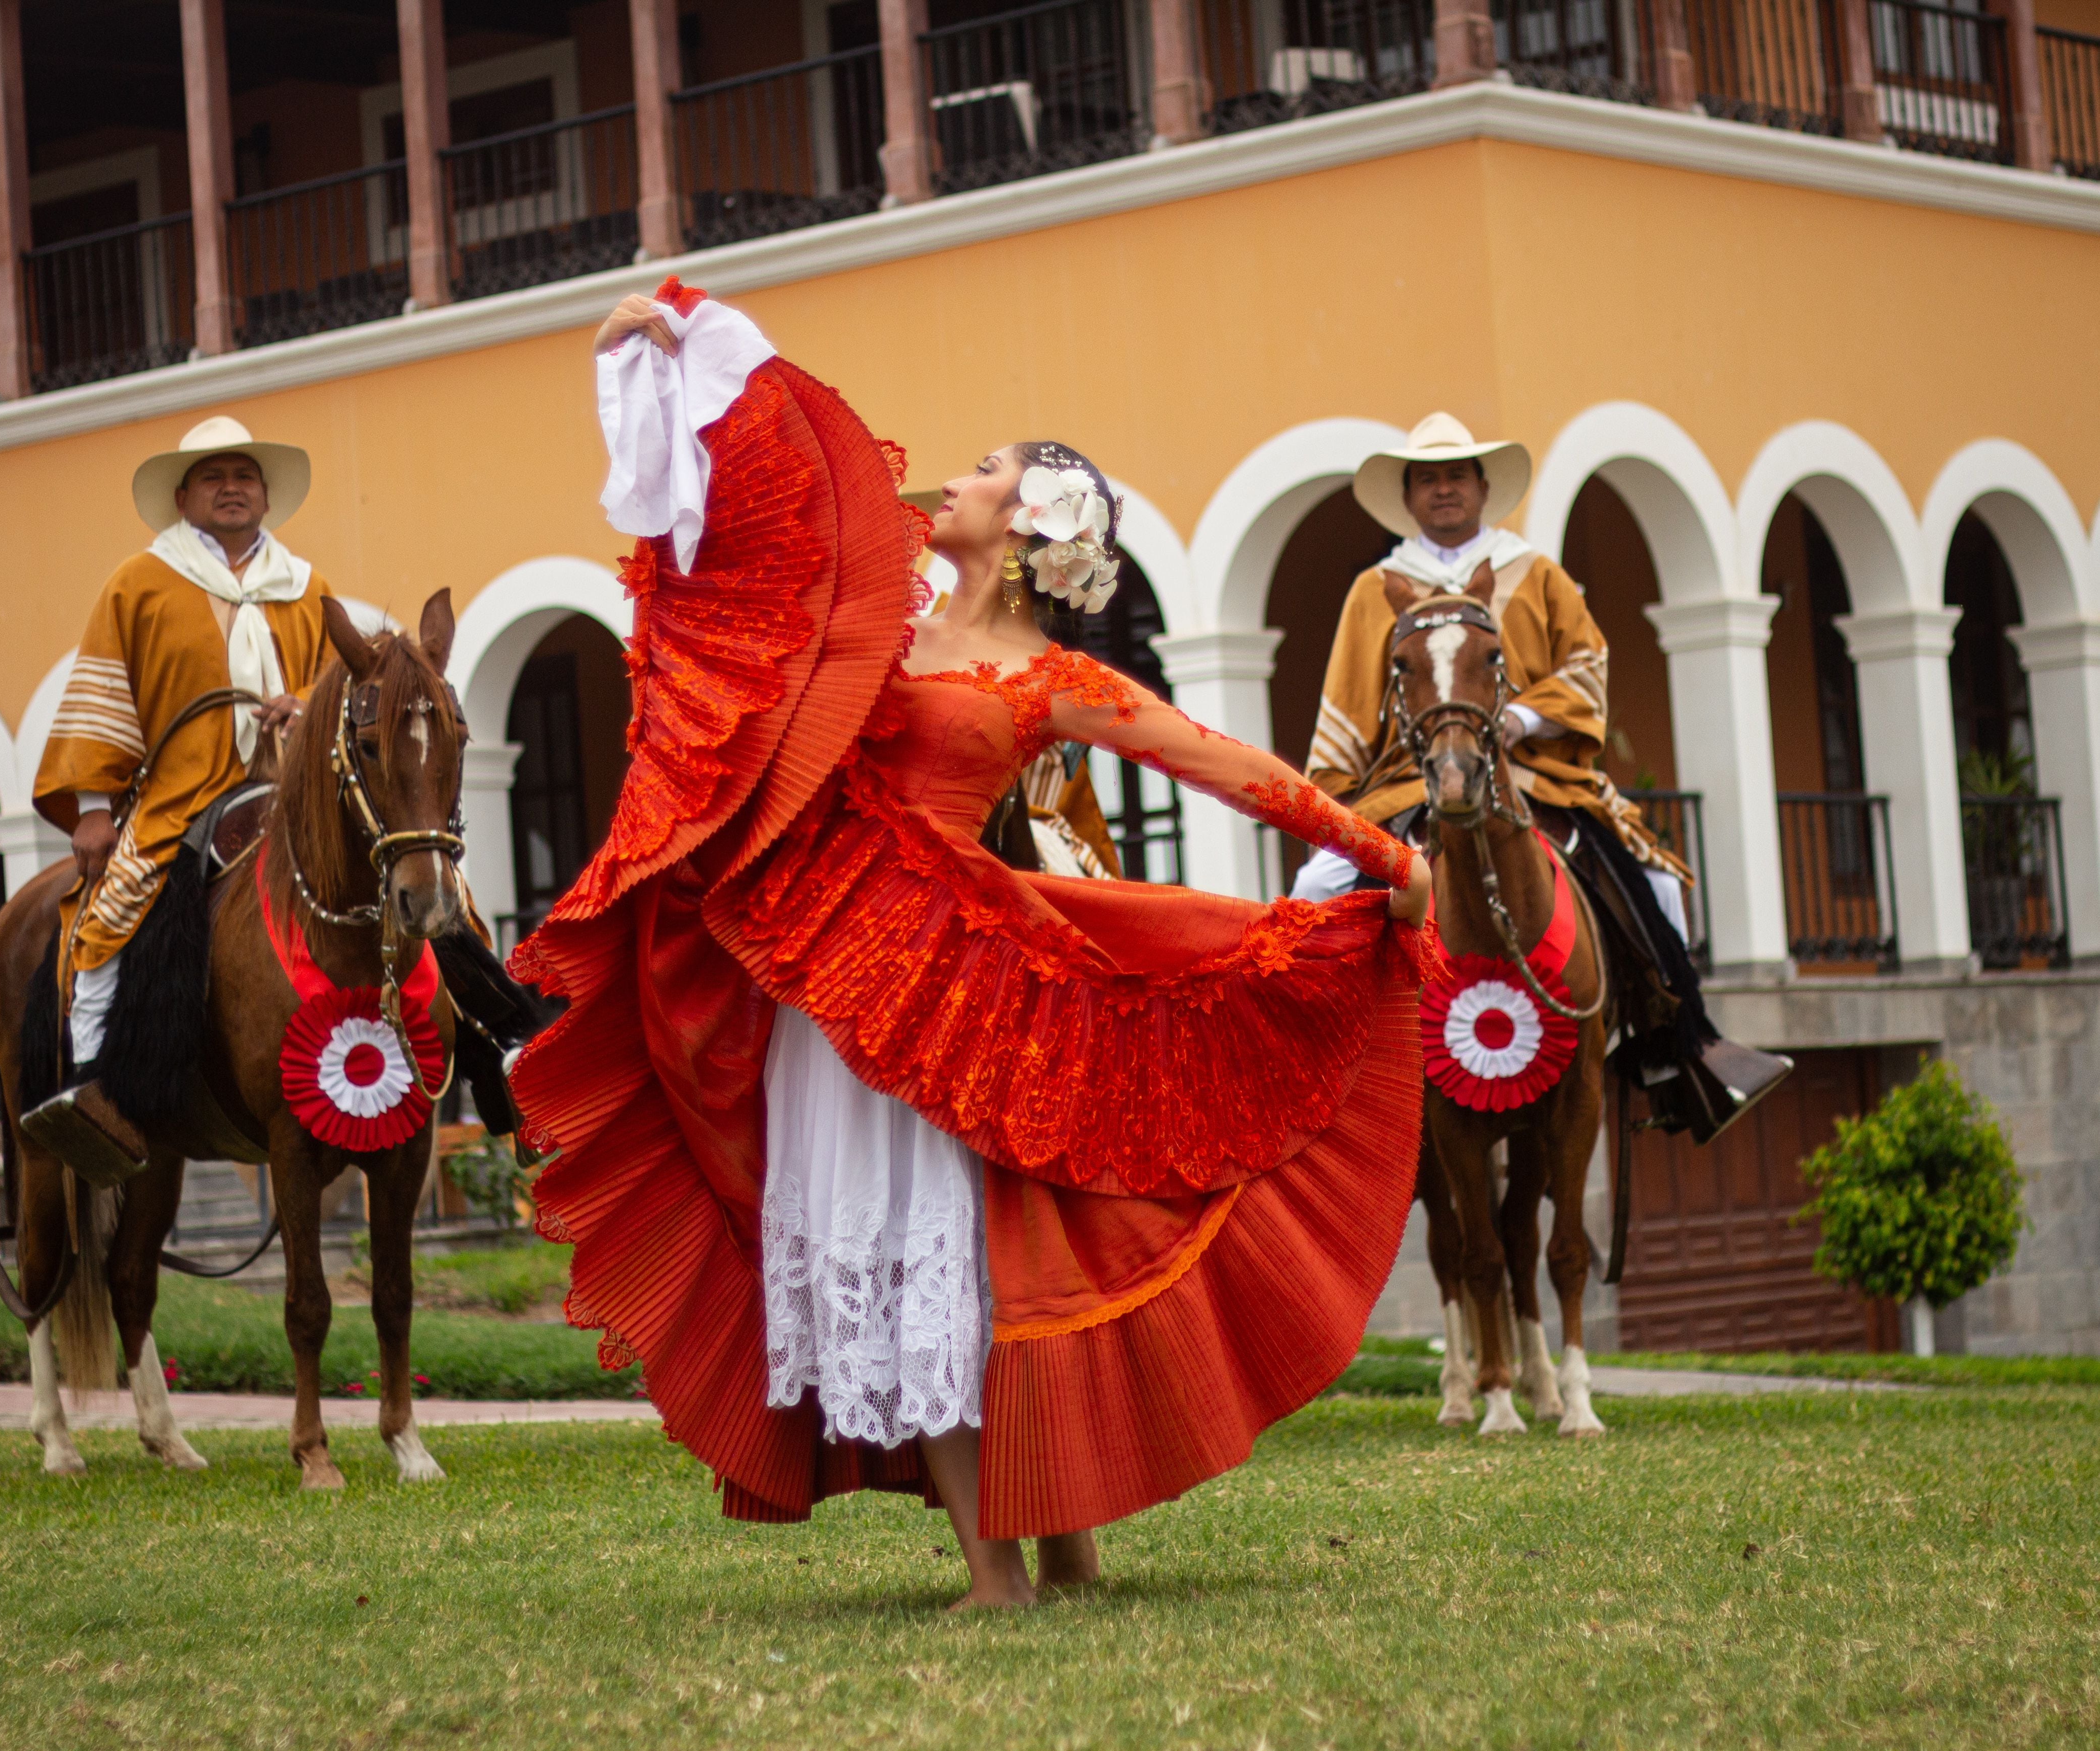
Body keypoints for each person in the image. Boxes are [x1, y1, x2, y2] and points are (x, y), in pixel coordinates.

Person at [509, 282, 1436, 1610]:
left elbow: (1225, 765)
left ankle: (1048, 1549)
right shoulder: (872, 619)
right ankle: (1004, 1563)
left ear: (1031, 524)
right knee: (897, 1248)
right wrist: (679, 359)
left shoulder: (1052, 680)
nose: (955, 474)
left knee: (992, 1245)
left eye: (991, 469)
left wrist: (1389, 857)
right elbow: (758, 529)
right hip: (835, 964)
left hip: (958, 977)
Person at [1294, 412, 1786, 1139]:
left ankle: (1679, 1053)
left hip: (1535, 774)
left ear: (1484, 486)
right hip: (1413, 778)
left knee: (1655, 884)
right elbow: (1344, 706)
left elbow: (1588, 666)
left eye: (1456, 476)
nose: (1444, 491)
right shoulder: (1377, 590)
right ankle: (1321, 1072)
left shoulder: (1537, 573)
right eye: (1428, 479)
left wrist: (1522, 720)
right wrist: (1342, 804)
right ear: (1408, 496)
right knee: (1317, 890)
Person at [22, 416, 335, 1177]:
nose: (233, 487)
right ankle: (90, 1087)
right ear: (184, 495)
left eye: (246, 475)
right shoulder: (139, 582)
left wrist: (305, 705)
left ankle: (497, 1044)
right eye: (214, 476)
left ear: (266, 495)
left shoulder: (309, 587)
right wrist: (94, 809)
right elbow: (103, 696)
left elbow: (344, 690)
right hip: (180, 799)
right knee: (110, 915)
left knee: (419, 882)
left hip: (292, 800)